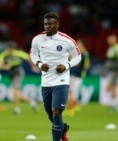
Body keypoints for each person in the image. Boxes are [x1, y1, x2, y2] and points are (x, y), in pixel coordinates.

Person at [30, 12, 81, 141]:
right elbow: (33, 54)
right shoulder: (37, 39)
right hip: (46, 82)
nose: (47, 26)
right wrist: (40, 64)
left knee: (57, 111)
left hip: (61, 80)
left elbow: (78, 56)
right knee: (50, 115)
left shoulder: (66, 40)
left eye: (51, 23)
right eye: (46, 24)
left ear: (57, 24)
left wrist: (67, 66)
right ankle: (63, 129)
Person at [0, 41, 39, 115]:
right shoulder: (4, 55)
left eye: (11, 50)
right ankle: (32, 102)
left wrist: (33, 66)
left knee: (15, 91)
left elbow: (28, 57)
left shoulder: (18, 54)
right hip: (11, 74)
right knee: (17, 93)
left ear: (13, 49)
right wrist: (5, 67)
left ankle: (17, 109)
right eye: (9, 49)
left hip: (19, 73)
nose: (10, 51)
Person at [64, 39, 90, 117]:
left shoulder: (83, 54)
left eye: (78, 44)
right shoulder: (84, 54)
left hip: (78, 76)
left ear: (82, 45)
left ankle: (70, 110)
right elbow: (87, 65)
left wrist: (71, 59)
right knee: (70, 92)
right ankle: (76, 106)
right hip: (76, 76)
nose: (77, 45)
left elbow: (78, 64)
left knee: (71, 93)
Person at [103, 34, 118, 111]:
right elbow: (108, 61)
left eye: (110, 39)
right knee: (112, 87)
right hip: (110, 71)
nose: (108, 41)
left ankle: (116, 104)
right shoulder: (110, 48)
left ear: (114, 40)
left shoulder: (117, 48)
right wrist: (105, 70)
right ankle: (115, 104)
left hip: (115, 71)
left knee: (111, 87)